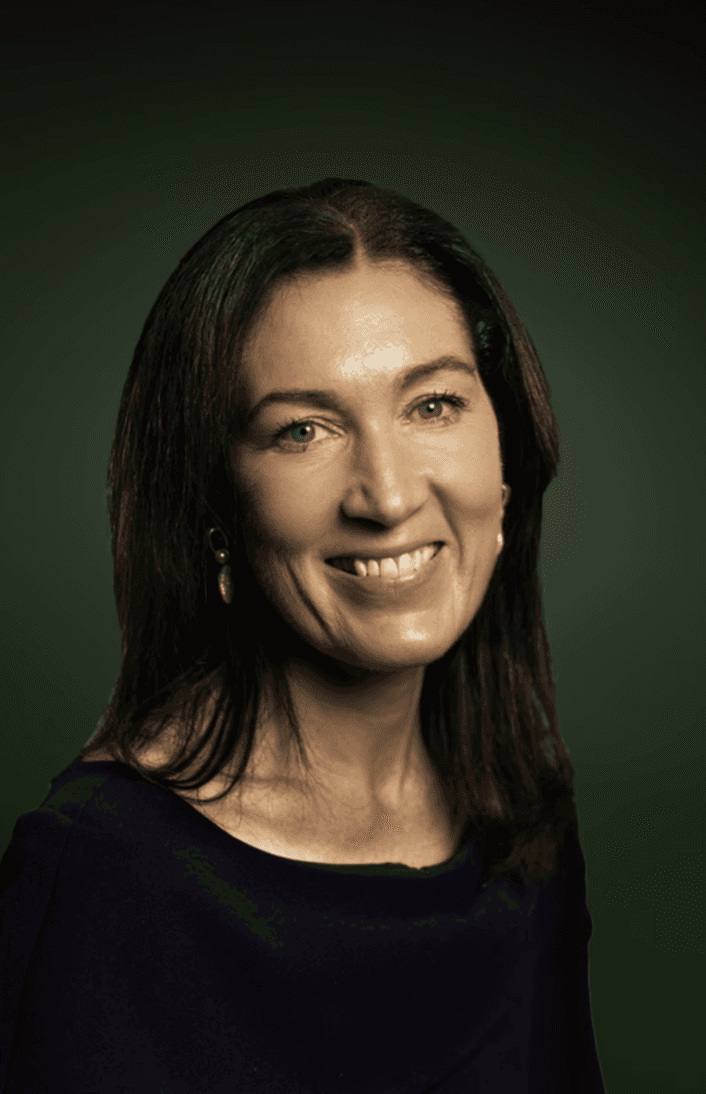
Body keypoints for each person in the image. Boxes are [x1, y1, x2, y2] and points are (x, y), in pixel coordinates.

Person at [0, 178, 605, 1092]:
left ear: (507, 462)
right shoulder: (100, 873)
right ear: (216, 514)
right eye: (303, 430)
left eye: (432, 405)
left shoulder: (522, 819)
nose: (388, 496)